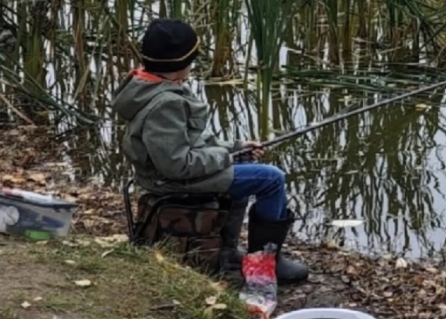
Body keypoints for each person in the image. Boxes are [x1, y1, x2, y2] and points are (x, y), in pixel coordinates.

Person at [111, 18, 309, 284]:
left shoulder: (147, 87)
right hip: (169, 181)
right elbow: (177, 165)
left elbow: (189, 141)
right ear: (180, 64)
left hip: (167, 174)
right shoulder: (165, 104)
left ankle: (226, 254)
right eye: (192, 59)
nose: (193, 65)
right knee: (271, 179)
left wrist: (236, 148)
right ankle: (266, 263)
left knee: (248, 172)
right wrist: (225, 158)